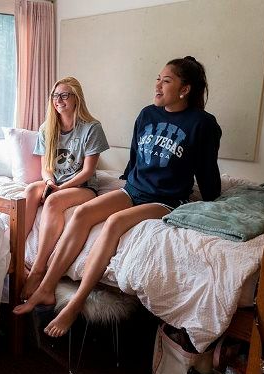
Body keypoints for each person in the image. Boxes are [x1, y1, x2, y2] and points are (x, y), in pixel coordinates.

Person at [13, 56, 222, 338]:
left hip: (165, 198)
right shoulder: (147, 114)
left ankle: (76, 303)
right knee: (84, 214)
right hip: (133, 189)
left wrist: (211, 199)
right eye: (158, 79)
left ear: (185, 89)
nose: (157, 86)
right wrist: (128, 181)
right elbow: (135, 159)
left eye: (166, 81)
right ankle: (47, 287)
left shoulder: (203, 124)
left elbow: (208, 172)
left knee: (113, 223)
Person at [21, 77, 109, 300]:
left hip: (82, 186)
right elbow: (46, 167)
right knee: (32, 191)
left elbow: (88, 171)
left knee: (52, 202)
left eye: (64, 95)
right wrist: (50, 182)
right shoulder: (47, 128)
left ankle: (39, 267)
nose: (58, 100)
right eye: (55, 96)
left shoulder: (91, 128)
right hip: (57, 183)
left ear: (76, 98)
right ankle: (17, 253)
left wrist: (60, 190)